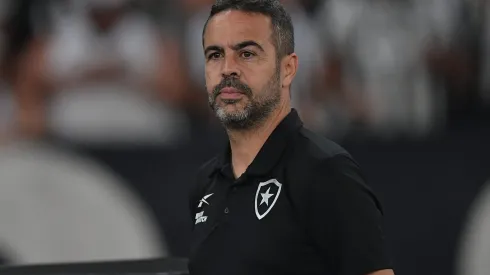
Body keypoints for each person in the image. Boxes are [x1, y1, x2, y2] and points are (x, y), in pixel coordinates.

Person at [188, 1, 394, 274]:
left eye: (247, 54)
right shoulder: (207, 184)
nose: (227, 68)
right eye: (215, 55)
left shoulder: (326, 173)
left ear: (287, 69)